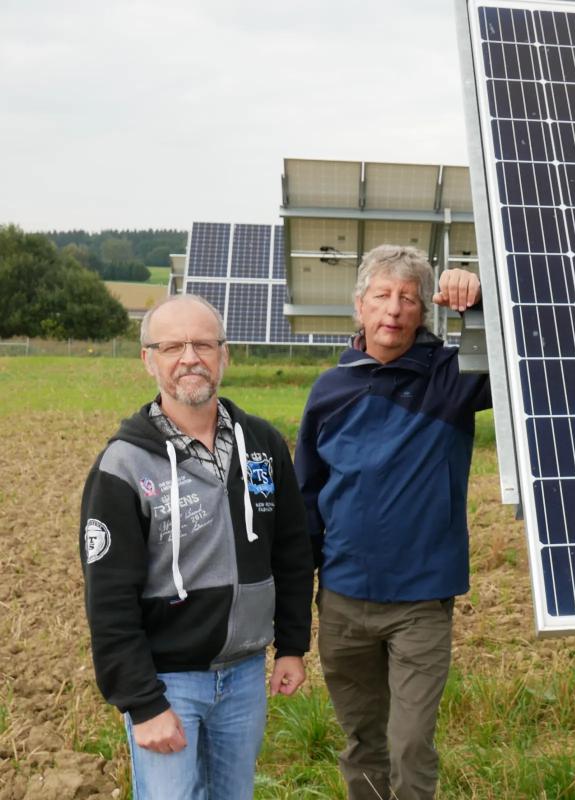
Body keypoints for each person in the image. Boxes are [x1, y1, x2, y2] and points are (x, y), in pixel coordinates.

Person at [78, 294, 314, 799]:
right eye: (172, 346)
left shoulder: (264, 445)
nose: (190, 357)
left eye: (204, 344)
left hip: (245, 675)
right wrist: (143, 703)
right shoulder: (122, 466)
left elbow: (293, 552)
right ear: (148, 359)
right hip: (168, 684)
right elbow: (109, 599)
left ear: (224, 355)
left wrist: (292, 647)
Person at [295, 244, 488, 800]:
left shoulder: (451, 380)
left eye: (408, 299)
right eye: (382, 296)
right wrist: (296, 601)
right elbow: (306, 498)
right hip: (342, 601)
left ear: (423, 311)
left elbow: (521, 353)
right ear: (360, 306)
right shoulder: (329, 391)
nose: (394, 309)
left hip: (420, 604)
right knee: (364, 742)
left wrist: (475, 304)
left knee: (408, 744)